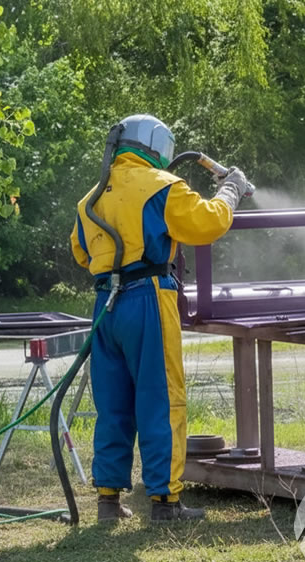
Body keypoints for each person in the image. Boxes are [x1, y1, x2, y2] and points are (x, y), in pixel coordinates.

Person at [70, 114, 249, 522]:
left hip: (105, 307)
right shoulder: (162, 186)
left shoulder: (90, 199)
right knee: (160, 399)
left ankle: (108, 501)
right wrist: (231, 190)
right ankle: (166, 503)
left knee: (113, 404)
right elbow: (207, 223)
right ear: (155, 146)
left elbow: (81, 252)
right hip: (148, 298)